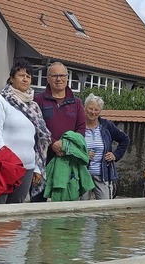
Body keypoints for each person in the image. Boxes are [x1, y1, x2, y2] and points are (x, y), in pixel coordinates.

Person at [0, 58, 51, 203]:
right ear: (12, 78)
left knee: (15, 213)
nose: (25, 79)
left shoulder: (33, 107)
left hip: (27, 167)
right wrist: (7, 159)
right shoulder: (0, 101)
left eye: (28, 76)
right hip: (3, 166)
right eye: (21, 75)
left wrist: (37, 167)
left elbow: (39, 140)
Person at [32, 62, 86, 202]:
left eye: (62, 75)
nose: (59, 79)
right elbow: (35, 127)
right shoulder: (38, 100)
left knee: (66, 202)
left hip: (67, 159)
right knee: (38, 201)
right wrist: (53, 144)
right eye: (54, 75)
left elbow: (80, 130)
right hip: (42, 160)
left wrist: (66, 146)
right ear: (48, 78)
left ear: (67, 78)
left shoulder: (77, 103)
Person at [81, 93, 130, 200]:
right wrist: (83, 155)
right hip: (82, 174)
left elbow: (125, 139)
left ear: (100, 111)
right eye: (90, 108)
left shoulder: (107, 125)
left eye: (96, 110)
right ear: (84, 108)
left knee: (105, 208)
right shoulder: (78, 125)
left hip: (103, 174)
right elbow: (71, 146)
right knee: (81, 209)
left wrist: (116, 155)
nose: (93, 112)